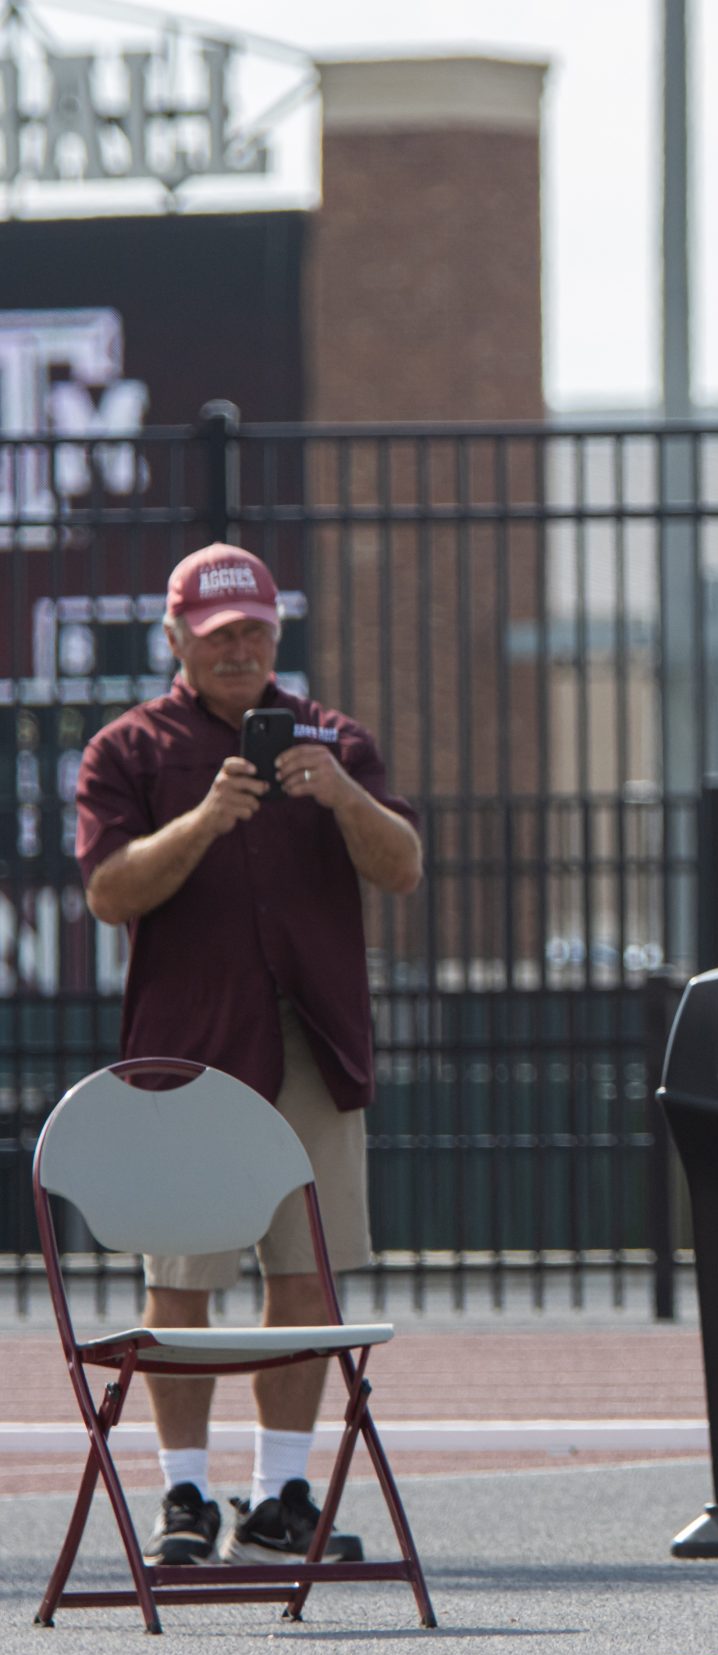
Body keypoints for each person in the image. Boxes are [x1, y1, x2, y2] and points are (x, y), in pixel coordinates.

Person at [75, 544, 422, 1569]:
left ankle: (279, 1499)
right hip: (188, 1058)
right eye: (221, 634)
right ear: (176, 637)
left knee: (307, 1276)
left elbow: (402, 868)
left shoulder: (336, 738)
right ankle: (184, 1496)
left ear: (278, 633)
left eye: (257, 631)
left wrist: (340, 797)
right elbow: (110, 891)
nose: (241, 650)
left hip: (311, 1041)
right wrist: (206, 819)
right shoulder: (127, 749)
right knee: (181, 1283)